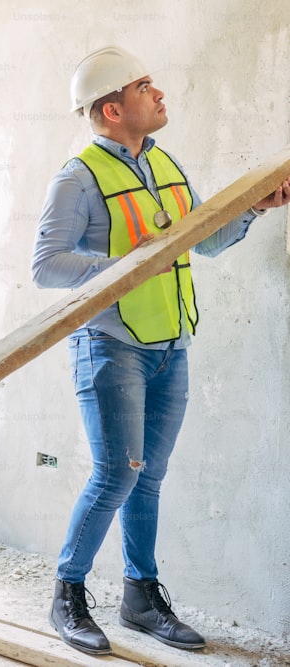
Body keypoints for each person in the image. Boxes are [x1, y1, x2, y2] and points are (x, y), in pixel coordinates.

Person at [31, 46, 290, 656]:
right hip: (110, 344)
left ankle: (140, 597)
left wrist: (256, 207)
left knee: (148, 479)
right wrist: (125, 263)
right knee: (117, 474)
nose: (160, 92)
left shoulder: (165, 163)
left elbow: (206, 241)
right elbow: (47, 266)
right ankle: (66, 594)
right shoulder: (79, 177)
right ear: (114, 108)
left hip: (171, 342)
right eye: (145, 86)